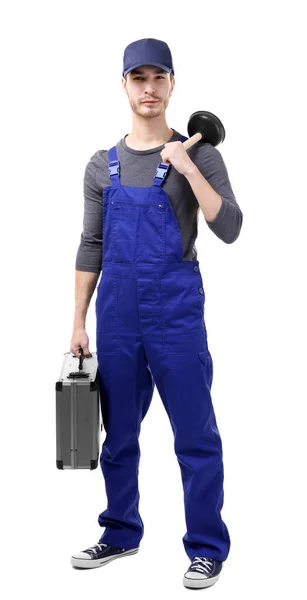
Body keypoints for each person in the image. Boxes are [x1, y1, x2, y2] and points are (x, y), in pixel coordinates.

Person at [70, 38, 243, 589]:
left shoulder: (201, 153)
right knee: (117, 436)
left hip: (175, 314)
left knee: (195, 435)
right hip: (116, 314)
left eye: (158, 77)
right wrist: (77, 320)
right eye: (137, 77)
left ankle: (207, 548)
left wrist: (188, 167)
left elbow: (230, 227)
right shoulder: (102, 165)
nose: (148, 88)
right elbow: (90, 244)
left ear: (172, 84)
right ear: (123, 85)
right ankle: (120, 532)